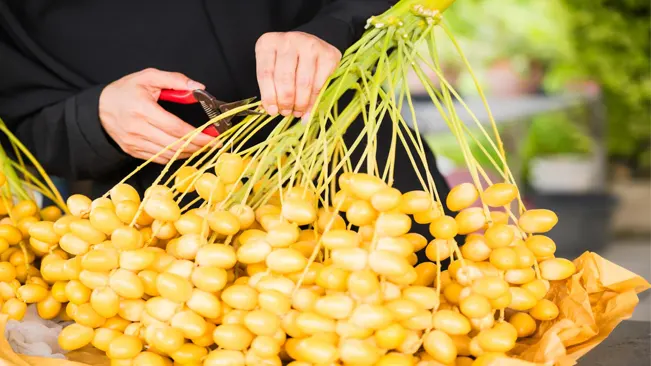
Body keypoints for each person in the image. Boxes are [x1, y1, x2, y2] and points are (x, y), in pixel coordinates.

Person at [0, 0, 457, 256]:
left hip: (362, 174)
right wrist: (95, 116)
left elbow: (395, 9)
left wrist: (334, 30)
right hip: (160, 233)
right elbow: (22, 125)